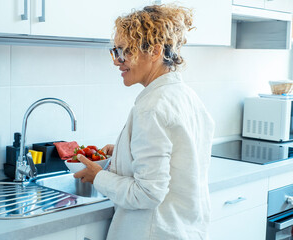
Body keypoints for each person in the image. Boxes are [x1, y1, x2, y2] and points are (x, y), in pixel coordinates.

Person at [74, 4, 215, 240]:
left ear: (155, 51)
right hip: (186, 229)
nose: (117, 61)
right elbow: (176, 162)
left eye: (124, 51)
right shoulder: (187, 96)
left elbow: (148, 194)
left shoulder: (151, 108)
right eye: (115, 51)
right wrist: (122, 153)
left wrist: (98, 176)